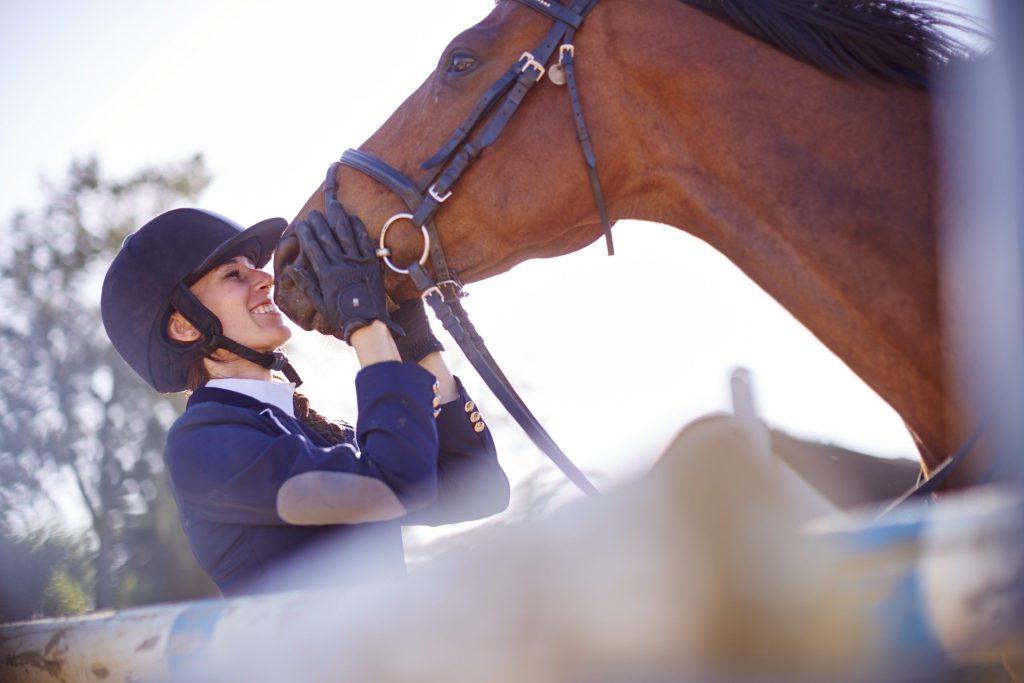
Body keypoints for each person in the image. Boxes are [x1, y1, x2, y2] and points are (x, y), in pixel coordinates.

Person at [100, 167, 509, 596]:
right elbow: (393, 484)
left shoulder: (314, 432)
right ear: (185, 328)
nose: (265, 279)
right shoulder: (203, 444)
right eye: (233, 275)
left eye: (252, 268)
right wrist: (363, 319)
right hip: (310, 664)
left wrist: (417, 342)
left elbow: (479, 488)